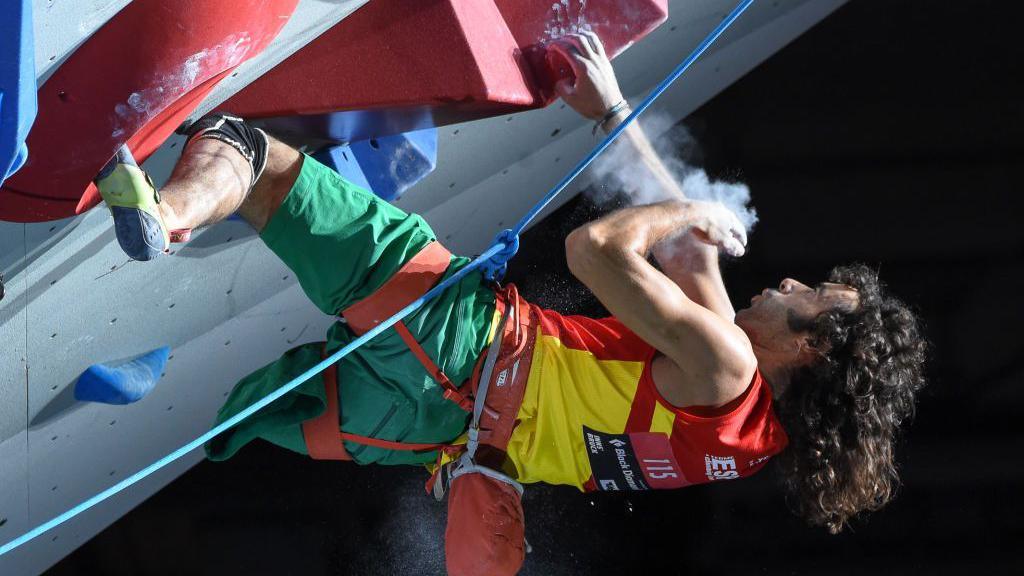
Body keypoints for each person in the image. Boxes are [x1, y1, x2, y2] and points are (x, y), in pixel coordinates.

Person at [94, 31, 926, 573]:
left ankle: (163, 218)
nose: (789, 283)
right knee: (233, 405)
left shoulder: (728, 363)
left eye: (810, 298)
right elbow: (694, 253)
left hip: (455, 337)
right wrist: (612, 112)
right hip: (418, 435)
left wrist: (687, 210)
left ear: (813, 349)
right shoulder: (746, 433)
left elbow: (594, 250)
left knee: (254, 157)